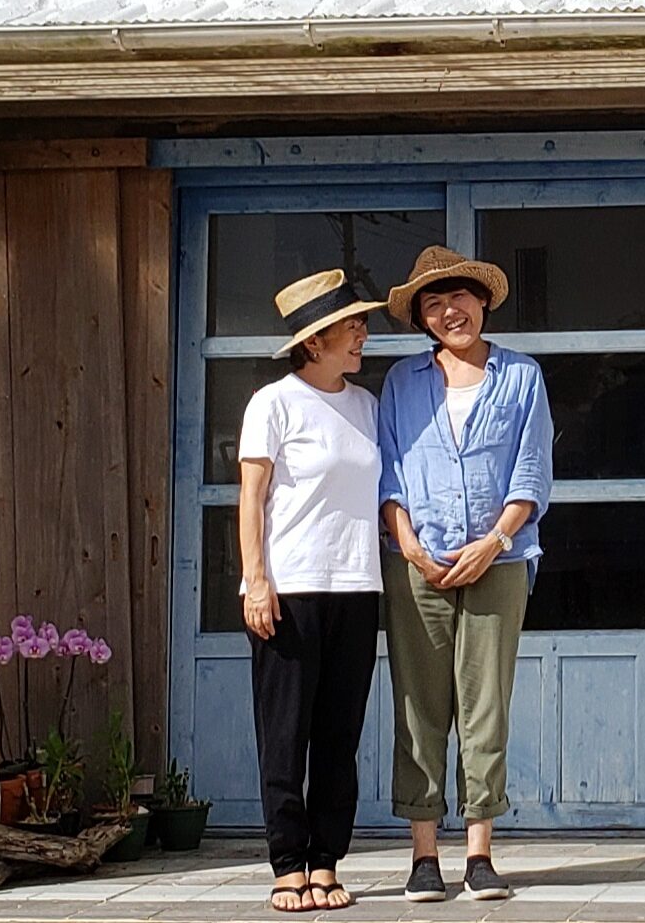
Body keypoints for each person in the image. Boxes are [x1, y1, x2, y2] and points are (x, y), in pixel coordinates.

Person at [378, 246, 553, 904]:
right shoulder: (402, 382)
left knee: (484, 707)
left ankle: (479, 852)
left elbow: (532, 468)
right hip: (415, 564)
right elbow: (388, 471)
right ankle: (423, 855)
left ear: (482, 302)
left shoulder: (520, 376)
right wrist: (411, 547)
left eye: (459, 296)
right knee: (418, 706)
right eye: (432, 301)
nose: (448, 309)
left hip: (498, 561)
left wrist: (497, 538)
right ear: (421, 317)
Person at [238, 270, 386, 912]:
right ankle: (286, 864)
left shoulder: (367, 405)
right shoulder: (273, 403)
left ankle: (326, 861)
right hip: (290, 588)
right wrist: (256, 582)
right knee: (284, 733)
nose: (362, 334)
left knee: (338, 735)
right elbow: (251, 500)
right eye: (352, 325)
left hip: (357, 586)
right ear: (316, 339)